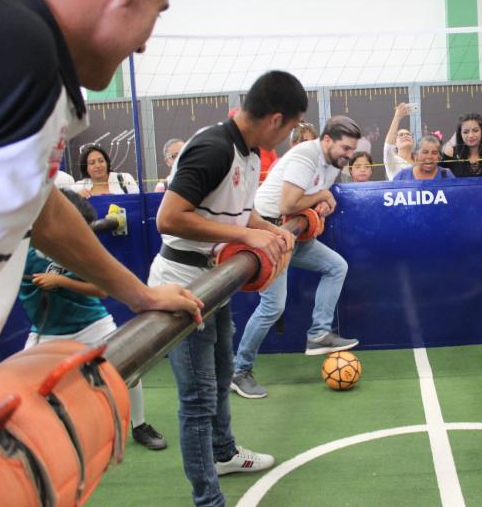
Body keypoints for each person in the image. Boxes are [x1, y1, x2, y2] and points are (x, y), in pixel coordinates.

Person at [0, 0, 202, 337]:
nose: (143, 46)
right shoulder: (20, 44)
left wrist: (140, 295)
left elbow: (46, 215)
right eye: (158, 12)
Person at [148, 71, 305, 506]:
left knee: (219, 376)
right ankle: (208, 499)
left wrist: (268, 230)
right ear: (275, 119)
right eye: (291, 127)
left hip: (216, 280)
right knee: (197, 400)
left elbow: (240, 212)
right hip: (182, 286)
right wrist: (251, 237)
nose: (290, 136)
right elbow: (169, 217)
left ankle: (224, 453)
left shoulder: (250, 152)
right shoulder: (213, 147)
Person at [20, 189, 166, 451]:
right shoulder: (22, 248)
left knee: (131, 372)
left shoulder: (80, 249)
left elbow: (100, 290)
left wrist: (61, 281)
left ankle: (139, 424)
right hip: (46, 331)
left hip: (92, 324)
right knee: (27, 389)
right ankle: (41, 442)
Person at [232, 116, 362, 399]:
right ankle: (239, 371)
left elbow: (307, 199)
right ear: (327, 140)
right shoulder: (306, 156)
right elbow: (288, 203)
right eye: (345, 148)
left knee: (336, 266)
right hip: (266, 230)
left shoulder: (331, 162)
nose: (349, 155)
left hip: (289, 231)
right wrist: (324, 195)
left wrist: (320, 207)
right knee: (272, 307)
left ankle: (319, 334)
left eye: (352, 150)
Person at [73, 144, 140, 197]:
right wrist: (77, 199)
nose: (98, 166)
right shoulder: (78, 187)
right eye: (92, 163)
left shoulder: (125, 179)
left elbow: (137, 202)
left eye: (101, 161)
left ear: (107, 162)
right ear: (85, 168)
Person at [384, 103, 415, 180]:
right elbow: (388, 148)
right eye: (401, 135)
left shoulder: (419, 162)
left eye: (408, 134)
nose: (405, 136)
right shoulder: (393, 161)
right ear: (395, 143)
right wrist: (397, 117)